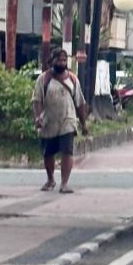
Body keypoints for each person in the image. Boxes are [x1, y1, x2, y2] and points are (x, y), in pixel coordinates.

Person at [32, 49, 89, 193]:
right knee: (48, 153)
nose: (62, 63)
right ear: (52, 61)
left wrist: (84, 124)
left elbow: (80, 103)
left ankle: (64, 183)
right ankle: (50, 179)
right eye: (59, 60)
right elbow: (37, 100)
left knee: (67, 151)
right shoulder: (43, 79)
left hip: (67, 121)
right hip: (49, 121)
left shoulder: (73, 79)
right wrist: (38, 117)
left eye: (64, 60)